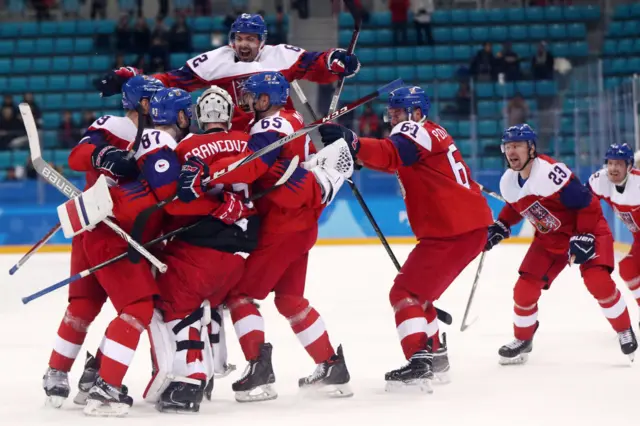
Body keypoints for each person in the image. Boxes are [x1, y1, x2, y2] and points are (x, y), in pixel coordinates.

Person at [176, 71, 354, 402]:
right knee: (290, 300)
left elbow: (254, 163)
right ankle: (332, 366)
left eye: (251, 96)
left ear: (265, 100)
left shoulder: (273, 125)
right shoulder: (287, 117)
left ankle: (259, 371)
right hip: (299, 220)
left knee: (240, 294)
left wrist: (208, 173)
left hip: (283, 222)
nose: (245, 101)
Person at [315, 86, 493, 393]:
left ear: (417, 112)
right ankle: (436, 358)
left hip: (453, 230)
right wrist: (357, 153)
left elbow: (392, 153)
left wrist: (353, 141)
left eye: (399, 112)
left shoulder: (417, 129)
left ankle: (419, 364)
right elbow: (396, 158)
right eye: (392, 113)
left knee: (404, 294)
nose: (394, 118)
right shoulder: (429, 133)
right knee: (418, 294)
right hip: (458, 228)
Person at [42, 75, 164, 411]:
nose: (161, 104)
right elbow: (77, 155)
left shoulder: (158, 131)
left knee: (84, 306)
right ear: (140, 103)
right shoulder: (112, 124)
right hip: (107, 231)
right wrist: (104, 155)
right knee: (127, 307)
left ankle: (65, 371)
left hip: (101, 229)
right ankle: (95, 379)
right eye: (155, 99)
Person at [137, 86, 259, 413]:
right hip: (243, 248)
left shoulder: (187, 146)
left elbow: (178, 202)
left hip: (204, 247)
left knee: (172, 303)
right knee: (210, 303)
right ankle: (213, 364)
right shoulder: (247, 141)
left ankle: (191, 380)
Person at [485, 124, 637, 365]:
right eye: (508, 146)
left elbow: (586, 204)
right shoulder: (508, 182)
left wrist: (585, 235)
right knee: (524, 290)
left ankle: (624, 329)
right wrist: (501, 225)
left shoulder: (550, 173)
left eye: (518, 146)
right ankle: (523, 338)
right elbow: (516, 206)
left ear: (531, 149)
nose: (512, 151)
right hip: (550, 240)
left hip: (588, 229)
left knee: (598, 282)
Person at [93, 13, 360, 130]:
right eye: (240, 38)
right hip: (235, 136)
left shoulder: (281, 56)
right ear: (232, 39)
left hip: (279, 131)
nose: (244, 44)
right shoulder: (213, 62)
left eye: (251, 39)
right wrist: (131, 78)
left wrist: (335, 61)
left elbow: (316, 64)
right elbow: (171, 80)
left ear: (262, 41)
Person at [588, 143, 640, 330]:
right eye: (610, 163)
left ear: (629, 166)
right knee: (628, 268)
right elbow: (583, 203)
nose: (613, 168)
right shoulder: (601, 180)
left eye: (619, 164)